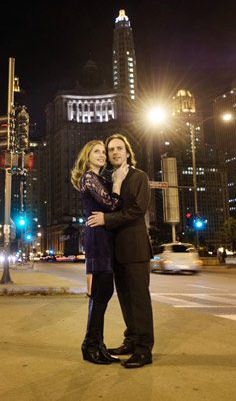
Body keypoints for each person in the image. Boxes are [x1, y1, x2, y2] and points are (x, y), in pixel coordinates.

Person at [87, 133, 154, 368]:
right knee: (125, 299)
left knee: (139, 300)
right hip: (116, 251)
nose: (115, 152)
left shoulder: (138, 177)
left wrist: (107, 219)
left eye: (119, 148)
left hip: (135, 249)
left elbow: (137, 209)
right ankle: (131, 340)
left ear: (127, 152)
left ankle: (144, 350)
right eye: (110, 149)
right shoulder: (109, 179)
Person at [70, 140, 127, 365]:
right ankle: (90, 345)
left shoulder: (99, 178)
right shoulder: (89, 178)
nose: (103, 155)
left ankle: (98, 344)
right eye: (97, 152)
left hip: (105, 238)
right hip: (97, 238)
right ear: (88, 156)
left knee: (103, 294)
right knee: (100, 295)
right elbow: (111, 204)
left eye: (104, 152)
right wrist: (118, 184)